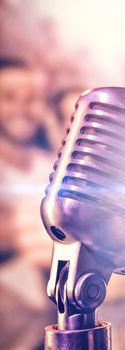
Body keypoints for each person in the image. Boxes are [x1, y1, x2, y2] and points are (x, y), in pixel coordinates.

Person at [0, 57, 55, 350]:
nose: (23, 108)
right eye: (9, 97)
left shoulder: (53, 168)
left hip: (56, 332)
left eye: (33, 98)